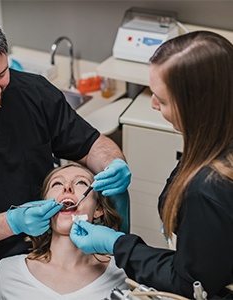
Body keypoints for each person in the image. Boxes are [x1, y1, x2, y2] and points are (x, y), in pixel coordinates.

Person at [0, 10, 131, 299]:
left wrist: (115, 163)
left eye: (1, 75)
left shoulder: (33, 93)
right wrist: (12, 222)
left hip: (40, 245)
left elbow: (92, 144)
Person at [70, 31, 233, 299]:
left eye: (163, 99)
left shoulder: (209, 189)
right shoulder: (213, 135)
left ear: (196, 106)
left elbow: (191, 283)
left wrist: (118, 244)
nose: (154, 104)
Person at [0, 162, 129, 299]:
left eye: (81, 183)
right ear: (42, 206)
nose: (67, 188)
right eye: (57, 184)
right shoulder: (7, 270)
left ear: (98, 209)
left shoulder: (123, 273)